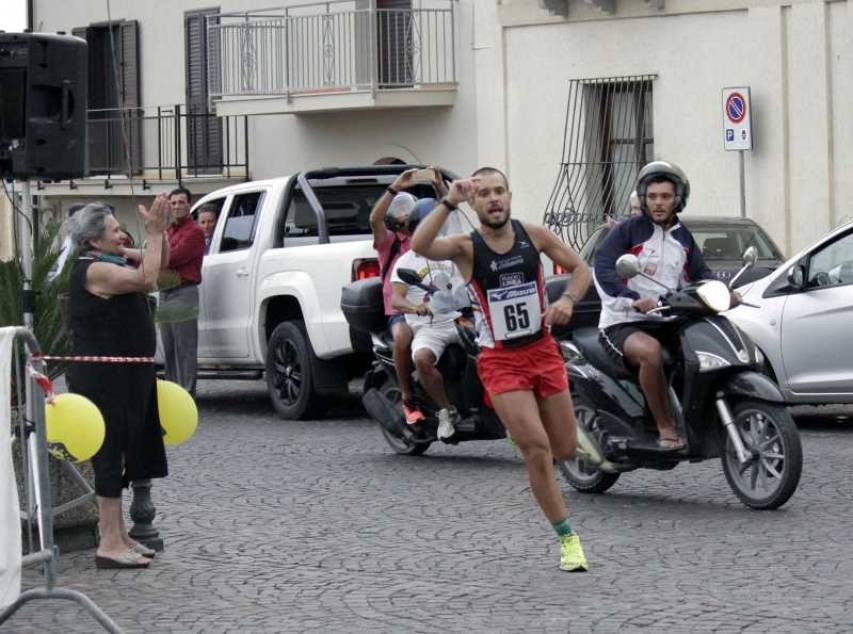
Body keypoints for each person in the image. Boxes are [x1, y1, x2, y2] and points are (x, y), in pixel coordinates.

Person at [411, 167, 594, 572]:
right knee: (537, 450)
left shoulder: (535, 236)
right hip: (501, 360)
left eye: (499, 191)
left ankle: (522, 425)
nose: (493, 199)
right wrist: (448, 201)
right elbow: (421, 245)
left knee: (564, 450)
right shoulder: (465, 247)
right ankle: (568, 539)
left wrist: (568, 301)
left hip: (543, 351)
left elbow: (581, 270)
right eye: (485, 194)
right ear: (475, 204)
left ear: (510, 196)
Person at [593, 160, 730, 450]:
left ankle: (701, 417)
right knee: (651, 352)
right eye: (652, 197)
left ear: (677, 199)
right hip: (622, 323)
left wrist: (725, 292)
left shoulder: (683, 237)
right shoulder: (628, 231)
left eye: (665, 197)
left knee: (703, 349)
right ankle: (664, 427)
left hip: (665, 320)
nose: (658, 203)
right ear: (644, 199)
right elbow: (603, 269)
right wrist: (633, 300)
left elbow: (700, 274)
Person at [66, 195, 171, 569]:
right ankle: (108, 542)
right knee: (110, 454)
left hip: (128, 373)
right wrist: (154, 234)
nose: (122, 235)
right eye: (114, 230)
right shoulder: (94, 269)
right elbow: (148, 279)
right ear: (95, 240)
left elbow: (162, 261)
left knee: (127, 451)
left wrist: (162, 229)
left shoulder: (113, 257)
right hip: (104, 377)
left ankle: (120, 533)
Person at [369, 167, 448, 427]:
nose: (406, 217)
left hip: (437, 305)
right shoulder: (389, 241)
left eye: (410, 213)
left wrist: (438, 185)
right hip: (400, 307)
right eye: (400, 214)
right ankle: (408, 396)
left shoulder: (430, 240)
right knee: (403, 336)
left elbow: (447, 211)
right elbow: (374, 219)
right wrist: (396, 187)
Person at [390, 198, 464, 440]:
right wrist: (415, 308)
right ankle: (445, 411)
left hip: (456, 319)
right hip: (428, 327)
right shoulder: (405, 261)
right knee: (422, 359)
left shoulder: (449, 253)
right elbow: (396, 300)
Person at [159, 187, 205, 396]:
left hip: (183, 291)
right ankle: (173, 396)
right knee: (169, 348)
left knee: (184, 348)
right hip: (166, 292)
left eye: (181, 202)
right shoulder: (168, 230)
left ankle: (187, 394)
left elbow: (172, 257)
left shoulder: (194, 231)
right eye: (173, 203)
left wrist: (155, 254)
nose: (177, 206)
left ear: (189, 204)